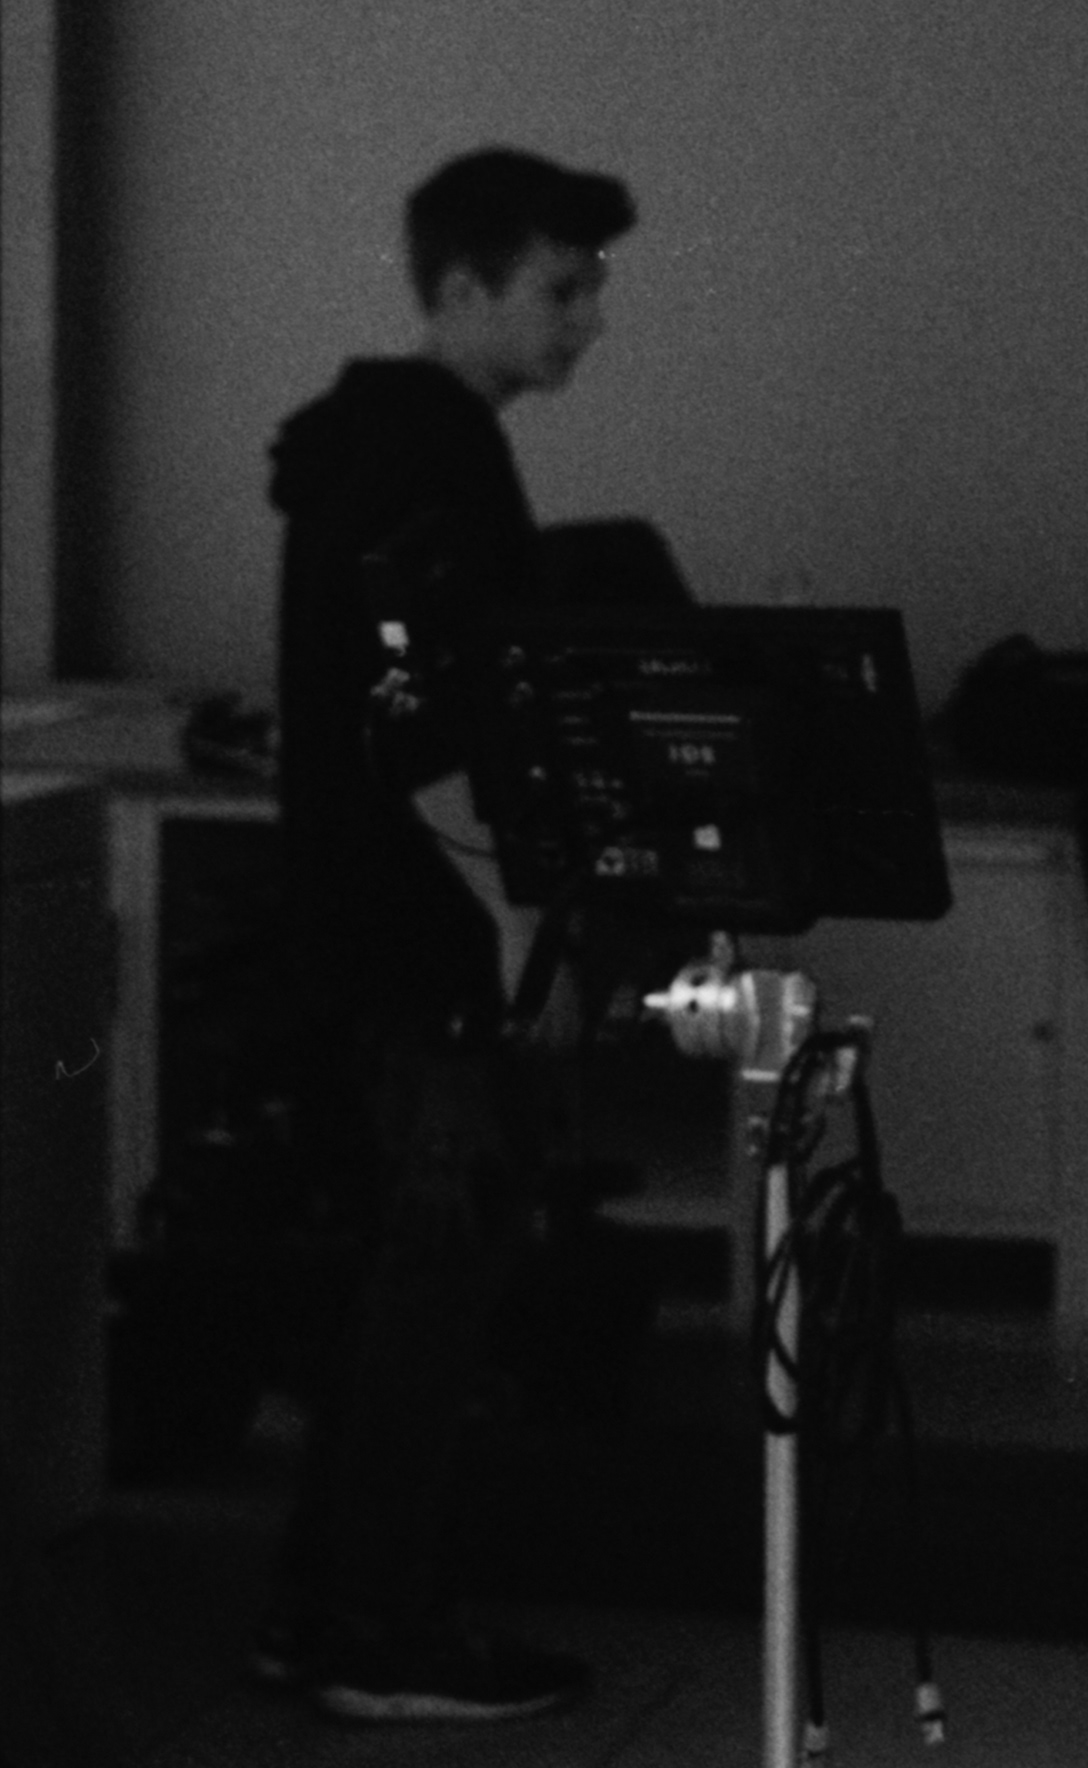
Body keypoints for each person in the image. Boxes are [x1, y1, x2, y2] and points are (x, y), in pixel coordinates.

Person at [258, 146, 632, 1723]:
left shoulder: (363, 439)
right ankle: (380, 1632)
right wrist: (523, 934)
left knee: (396, 1282)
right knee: (438, 1282)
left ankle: (324, 1613)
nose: (589, 318)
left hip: (362, 923)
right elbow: (430, 729)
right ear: (464, 289)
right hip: (431, 937)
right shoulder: (438, 455)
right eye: (561, 288)